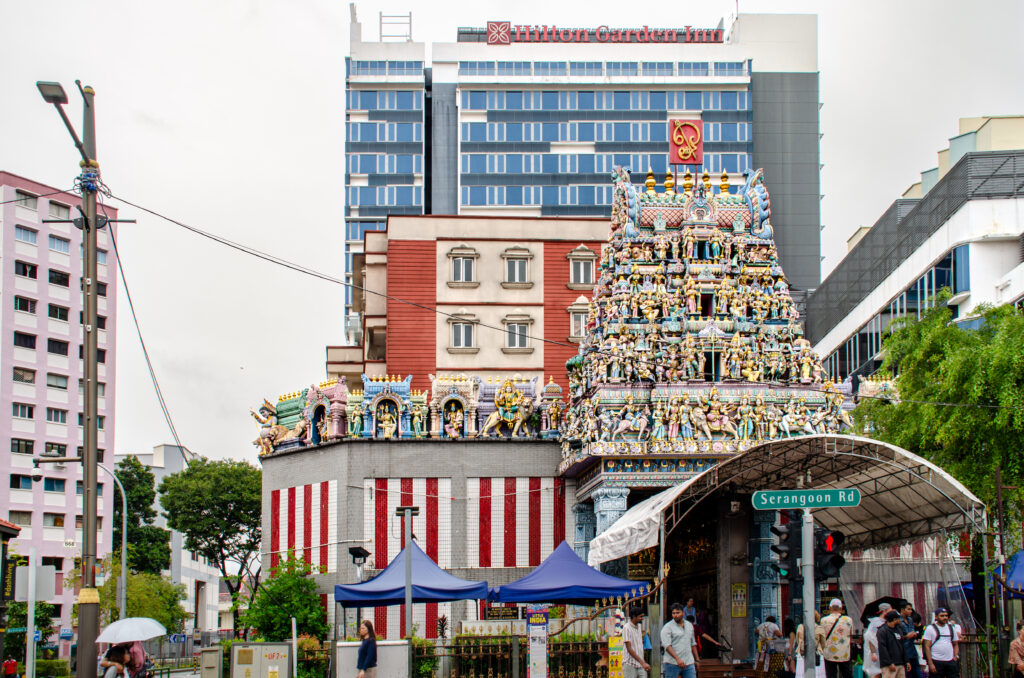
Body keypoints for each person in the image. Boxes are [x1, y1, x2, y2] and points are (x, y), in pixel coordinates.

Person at [661, 602, 699, 678]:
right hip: (672, 663)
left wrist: (697, 659)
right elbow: (667, 646)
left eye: (678, 613)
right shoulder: (667, 627)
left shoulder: (689, 625)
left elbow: (693, 643)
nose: (675, 615)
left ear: (683, 613)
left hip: (688, 662)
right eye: (673, 613)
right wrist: (677, 659)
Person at [817, 598, 854, 678]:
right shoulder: (848, 620)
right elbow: (850, 634)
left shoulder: (824, 620)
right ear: (841, 608)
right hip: (844, 653)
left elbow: (822, 636)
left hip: (829, 653)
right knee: (847, 674)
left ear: (830, 608)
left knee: (831, 675)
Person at [923, 607, 960, 678]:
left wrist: (956, 656)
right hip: (936, 660)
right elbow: (927, 646)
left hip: (950, 661)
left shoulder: (951, 628)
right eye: (942, 616)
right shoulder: (930, 628)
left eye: (946, 616)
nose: (945, 618)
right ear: (936, 617)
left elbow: (955, 644)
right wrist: (930, 663)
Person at [863, 604, 892, 678]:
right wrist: (873, 653)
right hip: (876, 651)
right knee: (876, 673)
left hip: (886, 651)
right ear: (884, 611)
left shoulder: (889, 623)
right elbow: (870, 638)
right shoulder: (875, 623)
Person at [877, 610, 907, 678]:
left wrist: (906, 661)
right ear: (894, 619)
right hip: (889, 664)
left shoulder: (898, 629)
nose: (899, 620)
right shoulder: (882, 631)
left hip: (900, 663)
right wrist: (889, 663)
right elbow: (882, 648)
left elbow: (902, 645)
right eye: (898, 618)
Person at [622, 606, 650, 678]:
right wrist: (642, 662)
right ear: (634, 617)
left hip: (640, 664)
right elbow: (629, 649)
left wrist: (642, 662)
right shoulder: (626, 628)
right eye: (640, 617)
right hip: (630, 663)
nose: (642, 618)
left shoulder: (639, 626)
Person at [898, 603, 922, 678]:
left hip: (912, 649)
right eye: (908, 609)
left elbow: (912, 630)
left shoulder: (910, 619)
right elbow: (897, 637)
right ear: (902, 610)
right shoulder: (898, 621)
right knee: (905, 672)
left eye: (911, 609)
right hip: (903, 650)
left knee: (917, 672)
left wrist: (914, 635)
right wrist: (906, 636)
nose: (910, 611)